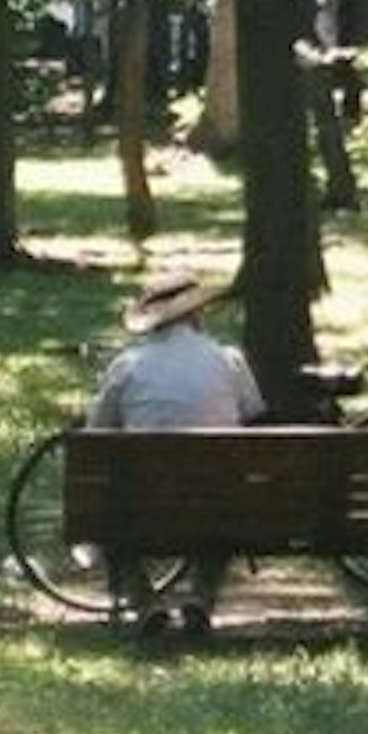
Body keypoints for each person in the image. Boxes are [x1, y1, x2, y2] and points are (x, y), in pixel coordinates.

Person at [86, 266, 263, 633]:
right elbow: (253, 415)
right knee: (223, 502)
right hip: (218, 506)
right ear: (195, 314)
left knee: (107, 513)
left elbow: (97, 434)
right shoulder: (228, 359)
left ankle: (145, 602)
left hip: (144, 506)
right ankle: (200, 598)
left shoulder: (128, 366)